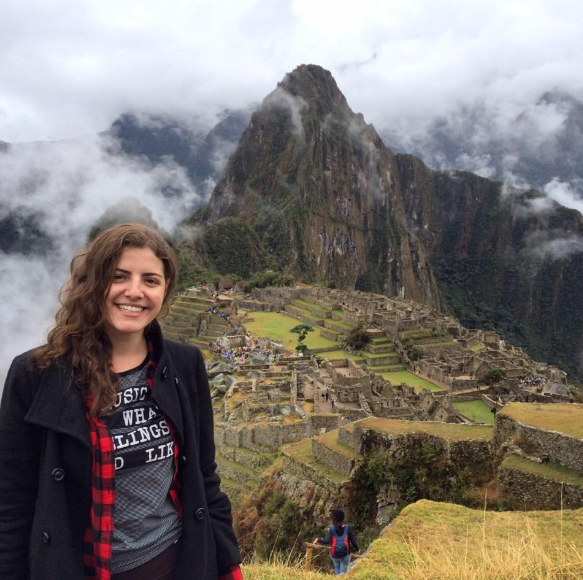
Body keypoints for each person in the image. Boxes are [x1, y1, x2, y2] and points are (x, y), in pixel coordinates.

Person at [0, 224, 242, 580]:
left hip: (176, 562)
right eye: (119, 276)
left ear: (165, 290)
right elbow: (12, 502)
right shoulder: (36, 374)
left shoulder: (184, 365)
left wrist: (228, 565)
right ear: (94, 282)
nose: (134, 291)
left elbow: (204, 477)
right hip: (81, 567)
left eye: (150, 280)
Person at [314, 509, 359, 575]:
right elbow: (353, 541)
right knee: (343, 573)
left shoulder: (332, 528)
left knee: (337, 569)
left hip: (335, 555)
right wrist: (357, 550)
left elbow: (328, 541)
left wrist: (318, 540)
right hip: (345, 554)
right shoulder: (348, 528)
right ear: (343, 518)